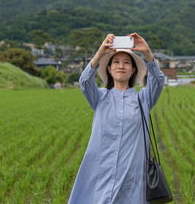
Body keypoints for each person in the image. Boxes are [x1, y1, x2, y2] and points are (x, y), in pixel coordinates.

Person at [68, 32, 165, 204]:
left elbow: (157, 80)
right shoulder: (100, 97)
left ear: (133, 70)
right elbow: (84, 81)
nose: (121, 66)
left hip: (132, 178)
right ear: (109, 69)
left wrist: (147, 53)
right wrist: (100, 53)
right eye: (116, 62)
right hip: (101, 174)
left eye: (127, 62)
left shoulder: (143, 99)